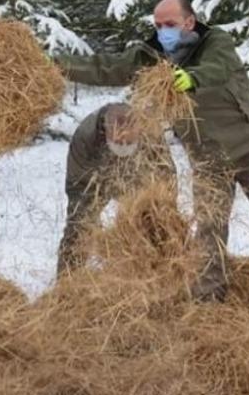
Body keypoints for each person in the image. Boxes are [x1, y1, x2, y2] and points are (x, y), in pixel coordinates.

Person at [60, 0, 249, 303]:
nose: (164, 31)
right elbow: (106, 67)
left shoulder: (216, 41)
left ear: (189, 22)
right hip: (207, 157)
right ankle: (208, 304)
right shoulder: (152, 56)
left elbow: (217, 68)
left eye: (170, 24)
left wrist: (190, 78)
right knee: (209, 231)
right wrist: (56, 66)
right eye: (158, 25)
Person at [57, 103, 175, 274]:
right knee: (79, 228)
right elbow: (78, 183)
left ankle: (152, 275)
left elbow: (166, 173)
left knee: (150, 225)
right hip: (93, 177)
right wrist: (83, 212)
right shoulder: (86, 135)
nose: (124, 145)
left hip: (135, 175)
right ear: (107, 132)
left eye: (128, 143)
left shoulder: (151, 132)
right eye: (119, 143)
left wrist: (166, 208)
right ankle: (66, 282)